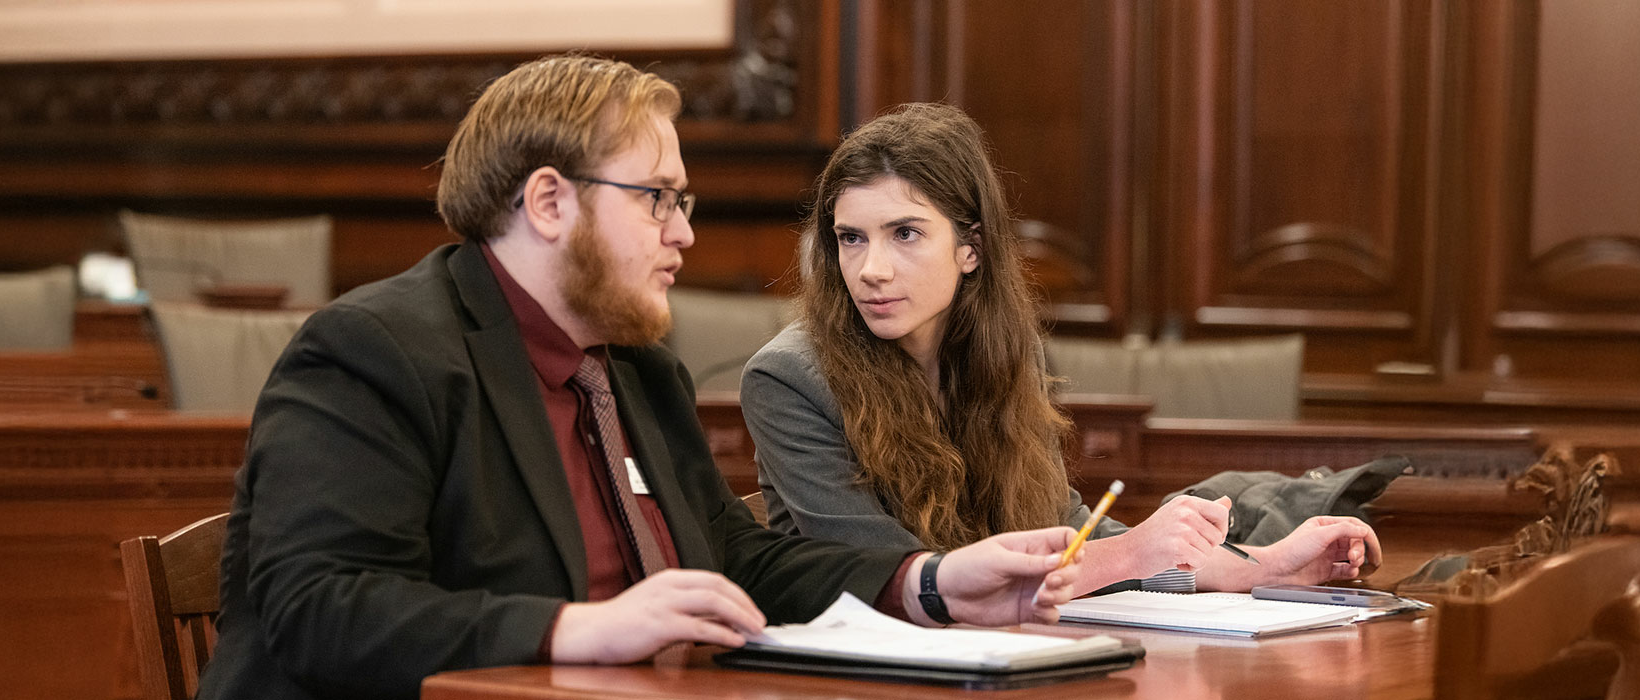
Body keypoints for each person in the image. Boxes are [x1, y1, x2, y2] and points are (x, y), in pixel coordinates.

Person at [199, 58, 1090, 700]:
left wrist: (927, 583)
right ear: (550, 203)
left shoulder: (633, 368)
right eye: (657, 198)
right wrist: (578, 629)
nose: (684, 233)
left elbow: (733, 560)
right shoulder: (374, 350)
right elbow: (321, 609)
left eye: (683, 201)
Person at [741, 102, 1381, 596]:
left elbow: (1069, 523)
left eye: (904, 233)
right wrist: (1133, 553)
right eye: (851, 239)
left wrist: (1262, 567)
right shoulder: (789, 377)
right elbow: (895, 575)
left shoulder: (999, 354)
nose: (871, 269)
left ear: (973, 249)